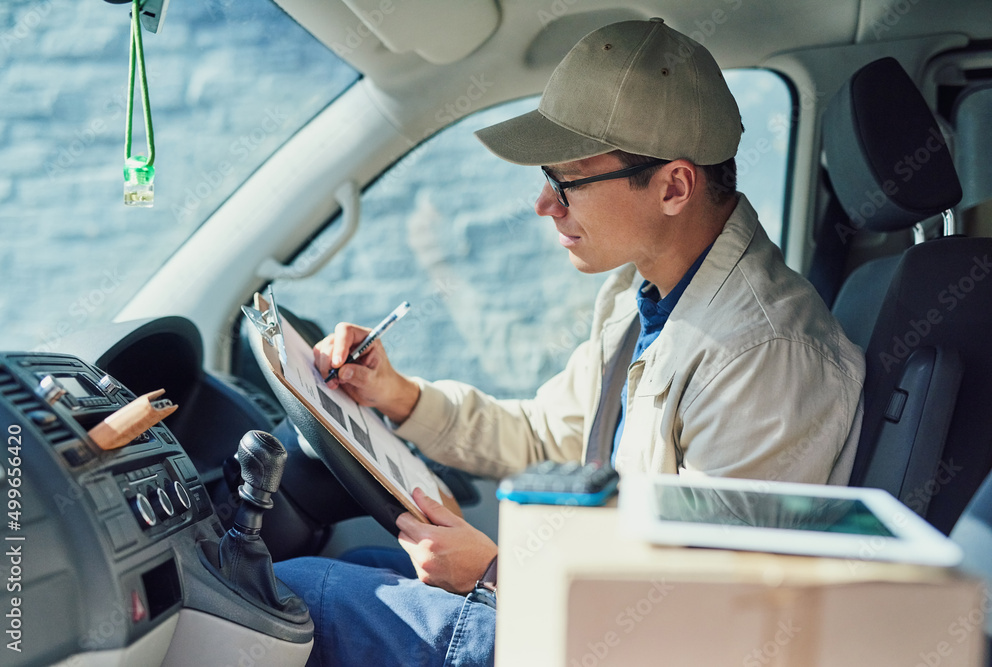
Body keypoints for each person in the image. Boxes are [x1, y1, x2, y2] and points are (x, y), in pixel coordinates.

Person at [275, 17, 865, 666]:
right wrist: (401, 396)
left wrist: (498, 570)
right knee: (361, 563)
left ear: (673, 186)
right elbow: (546, 436)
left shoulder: (765, 355)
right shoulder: (640, 293)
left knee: (303, 593)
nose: (543, 205)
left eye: (566, 182)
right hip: (595, 614)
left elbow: (714, 613)